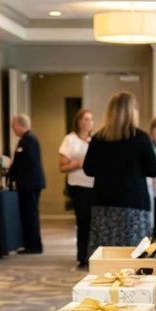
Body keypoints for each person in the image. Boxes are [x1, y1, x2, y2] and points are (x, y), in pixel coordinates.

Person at [83, 91, 156, 257]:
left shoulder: (98, 138)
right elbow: (154, 170)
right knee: (134, 254)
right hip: (134, 204)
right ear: (132, 111)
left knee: (105, 254)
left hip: (104, 202)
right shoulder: (141, 138)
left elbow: (88, 169)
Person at [58, 108, 95, 268]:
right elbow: (62, 166)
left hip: (94, 186)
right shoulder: (70, 140)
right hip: (78, 186)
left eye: (91, 119)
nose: (88, 122)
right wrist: (77, 163)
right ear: (79, 121)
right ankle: (82, 256)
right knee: (83, 221)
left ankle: (94, 255)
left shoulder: (94, 140)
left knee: (95, 222)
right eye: (85, 119)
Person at [8, 113, 45, 254]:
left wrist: (11, 175)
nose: (12, 128)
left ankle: (33, 246)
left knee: (30, 215)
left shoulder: (27, 140)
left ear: (20, 125)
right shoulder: (28, 139)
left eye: (14, 125)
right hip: (31, 184)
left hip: (30, 184)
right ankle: (31, 244)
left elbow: (22, 164)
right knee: (30, 215)